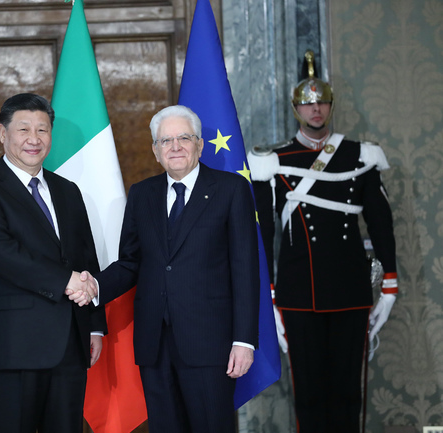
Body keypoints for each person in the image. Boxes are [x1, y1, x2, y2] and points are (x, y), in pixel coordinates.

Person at [68, 105, 260, 433]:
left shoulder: (231, 190)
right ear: (156, 151)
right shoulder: (142, 194)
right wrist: (95, 286)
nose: (175, 147)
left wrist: (244, 340)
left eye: (183, 138)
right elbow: (131, 262)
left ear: (199, 144)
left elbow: (245, 269)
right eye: (165, 141)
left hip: (211, 343)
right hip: (155, 343)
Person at [248, 50, 398, 433]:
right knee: (309, 392)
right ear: (296, 108)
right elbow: (263, 231)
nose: (316, 110)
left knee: (349, 391)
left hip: (350, 290)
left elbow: (381, 224)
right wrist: (268, 293)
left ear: (331, 106)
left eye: (322, 102)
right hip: (299, 294)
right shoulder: (275, 159)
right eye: (308, 103)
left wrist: (390, 285)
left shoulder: (359, 155)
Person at [0, 93, 107, 433]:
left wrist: (95, 324)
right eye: (24, 129)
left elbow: (86, 257)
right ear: (2, 133)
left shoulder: (67, 190)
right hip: (16, 344)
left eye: (42, 130)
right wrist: (66, 281)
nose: (34, 139)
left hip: (71, 342)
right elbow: (2, 254)